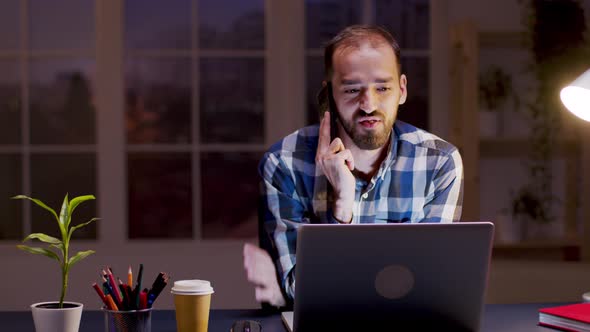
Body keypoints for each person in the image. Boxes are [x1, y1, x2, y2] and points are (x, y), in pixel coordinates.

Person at [243, 25, 464, 308]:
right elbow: (295, 293)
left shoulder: (439, 162)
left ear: (402, 90)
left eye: (382, 88)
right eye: (351, 89)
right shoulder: (283, 164)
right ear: (329, 95)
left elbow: (434, 287)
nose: (368, 105)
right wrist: (343, 206)